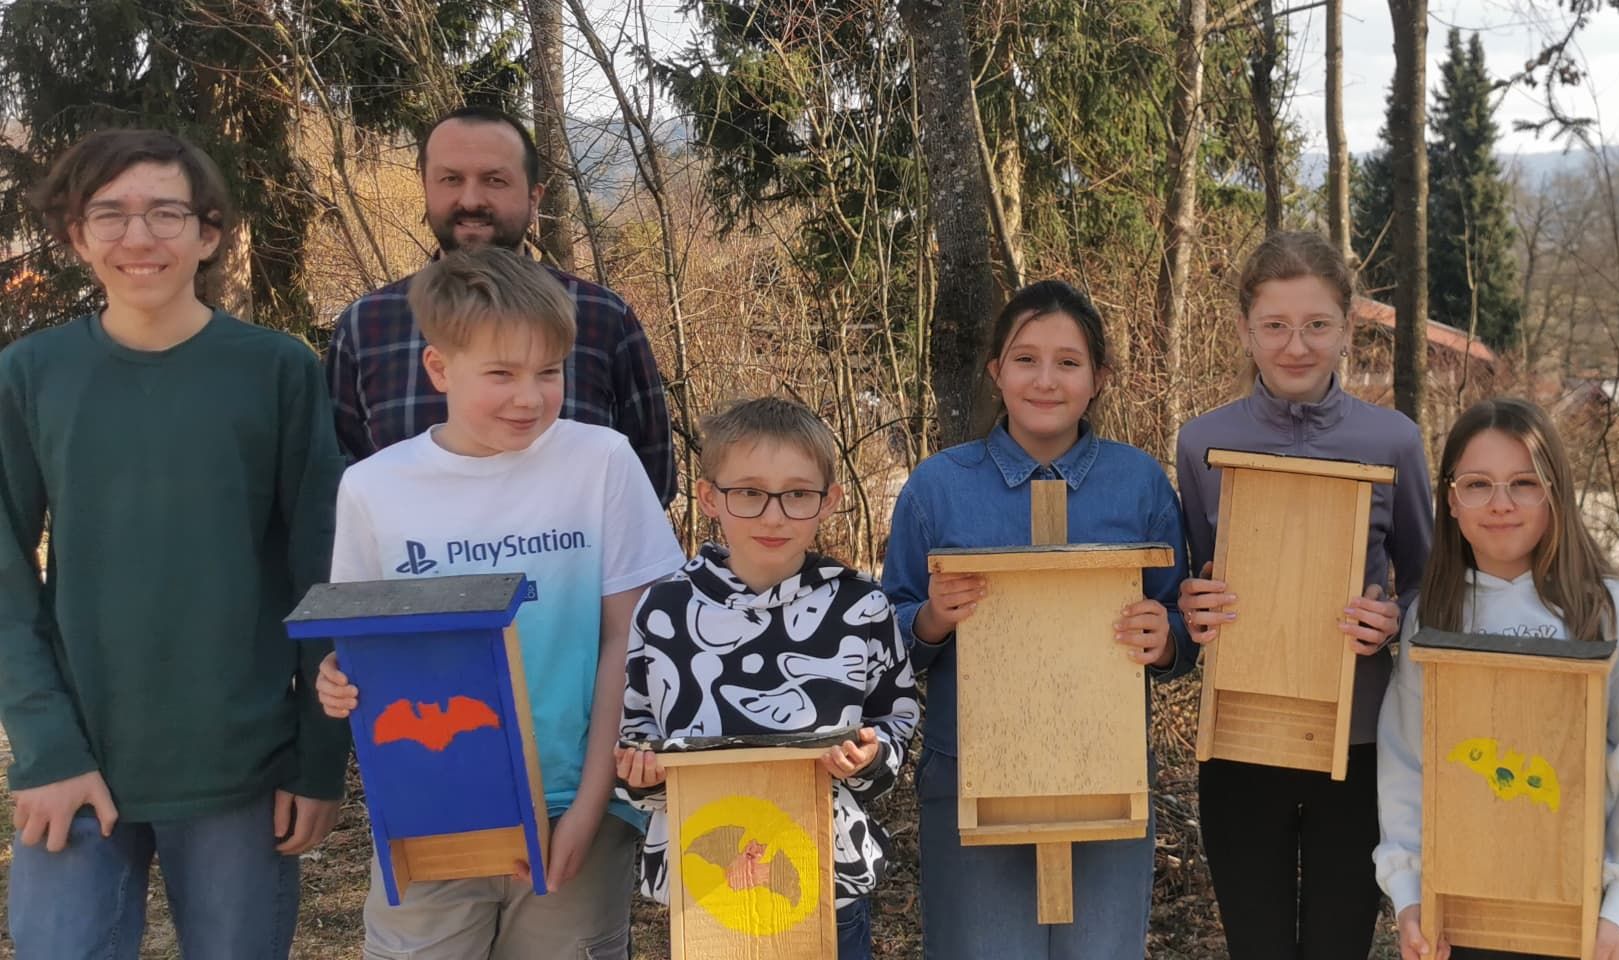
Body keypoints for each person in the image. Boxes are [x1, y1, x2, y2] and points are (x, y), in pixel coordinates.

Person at [0, 128, 348, 959]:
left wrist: (317, 761)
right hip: (79, 757)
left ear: (208, 233)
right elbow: (6, 575)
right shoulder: (31, 373)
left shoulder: (277, 370)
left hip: (242, 763)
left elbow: (323, 568)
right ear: (77, 235)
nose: (139, 236)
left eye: (165, 212)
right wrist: (45, 748)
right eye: (110, 214)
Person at [315, 245, 685, 959]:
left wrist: (591, 805)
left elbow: (631, 640)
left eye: (549, 372)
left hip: (577, 804)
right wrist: (339, 677)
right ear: (439, 368)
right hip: (434, 811)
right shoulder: (373, 488)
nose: (529, 398)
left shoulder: (603, 462)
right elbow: (365, 645)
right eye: (501, 374)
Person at [881, 280, 1193, 959]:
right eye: (1025, 360)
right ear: (996, 371)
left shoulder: (1139, 484)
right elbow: (885, 633)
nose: (1045, 380)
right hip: (971, 776)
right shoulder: (938, 488)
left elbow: (1182, 621)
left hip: (1107, 774)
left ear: (1099, 378)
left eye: (1068, 362)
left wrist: (1166, 638)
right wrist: (931, 619)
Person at [1174, 230, 1433, 960]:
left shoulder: (1394, 442)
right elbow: (1190, 581)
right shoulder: (1201, 443)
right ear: (1245, 331)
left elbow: (1428, 582)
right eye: (1276, 326)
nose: (1296, 346)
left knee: (1337, 946)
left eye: (1317, 324)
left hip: (1361, 743)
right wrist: (1193, 607)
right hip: (1239, 743)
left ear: (1347, 328)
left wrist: (1394, 620)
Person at [1376, 398, 1619, 960]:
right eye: (1477, 485)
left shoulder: (1604, 609)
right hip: (1459, 916)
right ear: (1450, 500)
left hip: (1576, 915)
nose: (1501, 504)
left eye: (1524, 483)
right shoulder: (1435, 613)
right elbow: (1406, 760)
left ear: (1555, 492)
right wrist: (1409, 892)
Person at [615, 396, 920, 960]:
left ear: (829, 501)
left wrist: (871, 757)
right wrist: (643, 776)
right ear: (710, 498)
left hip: (825, 876)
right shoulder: (665, 610)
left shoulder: (860, 607)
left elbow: (895, 718)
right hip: (705, 888)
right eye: (749, 492)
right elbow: (636, 733)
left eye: (797, 494)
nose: (773, 516)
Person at [326, 105, 675, 503]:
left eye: (494, 180)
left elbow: (649, 483)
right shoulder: (367, 326)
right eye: (451, 179)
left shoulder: (602, 318)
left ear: (533, 197)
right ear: (426, 188)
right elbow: (341, 487)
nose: (471, 199)